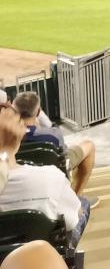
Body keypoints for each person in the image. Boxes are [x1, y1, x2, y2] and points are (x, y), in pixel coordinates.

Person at [0, 103, 90, 250]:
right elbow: (73, 221)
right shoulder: (51, 177)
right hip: (42, 259)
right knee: (82, 205)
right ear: (19, 134)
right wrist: (5, 150)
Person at [11, 92, 96, 197]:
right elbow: (63, 155)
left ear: (14, 110)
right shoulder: (53, 134)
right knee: (89, 145)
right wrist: (46, 124)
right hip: (52, 175)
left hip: (18, 180)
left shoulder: (5, 137)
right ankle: (76, 197)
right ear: (37, 112)